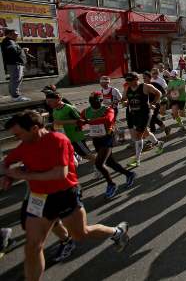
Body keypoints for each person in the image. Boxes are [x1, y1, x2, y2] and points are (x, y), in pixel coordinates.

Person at [2, 111, 129, 281]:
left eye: (18, 134)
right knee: (32, 246)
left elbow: (60, 173)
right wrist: (7, 175)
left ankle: (117, 232)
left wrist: (22, 175)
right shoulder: (25, 144)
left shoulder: (57, 140)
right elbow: (5, 163)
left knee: (80, 234)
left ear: (34, 128)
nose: (17, 139)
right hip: (39, 197)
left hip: (64, 194)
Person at [81, 92, 135, 199]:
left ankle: (111, 185)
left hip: (108, 138)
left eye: (95, 101)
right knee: (110, 162)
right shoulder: (86, 111)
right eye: (90, 101)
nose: (92, 103)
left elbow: (108, 119)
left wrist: (89, 121)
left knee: (99, 163)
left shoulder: (108, 109)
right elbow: (80, 121)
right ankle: (129, 174)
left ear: (101, 101)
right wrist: (79, 124)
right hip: (96, 139)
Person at [121, 72, 161, 167]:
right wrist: (125, 102)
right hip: (134, 114)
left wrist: (153, 103)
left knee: (138, 136)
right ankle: (158, 144)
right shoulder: (127, 87)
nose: (128, 82)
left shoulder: (145, 87)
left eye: (130, 80)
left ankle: (137, 160)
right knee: (145, 133)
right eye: (127, 80)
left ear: (136, 79)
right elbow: (124, 98)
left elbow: (158, 93)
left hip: (145, 114)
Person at [46, 92, 94, 164]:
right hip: (66, 138)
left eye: (50, 101)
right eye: (47, 101)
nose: (48, 103)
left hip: (76, 137)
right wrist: (51, 126)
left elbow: (81, 121)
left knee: (87, 155)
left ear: (58, 99)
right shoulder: (55, 109)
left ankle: (100, 166)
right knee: (79, 155)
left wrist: (61, 122)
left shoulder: (69, 108)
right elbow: (57, 122)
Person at [1, 29, 30, 101]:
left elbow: (14, 50)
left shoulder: (10, 41)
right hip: (14, 64)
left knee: (15, 79)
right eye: (15, 34)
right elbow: (12, 50)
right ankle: (15, 96)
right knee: (16, 79)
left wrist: (22, 50)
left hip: (15, 64)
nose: (17, 35)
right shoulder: (9, 41)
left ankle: (14, 95)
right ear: (9, 34)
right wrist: (23, 50)